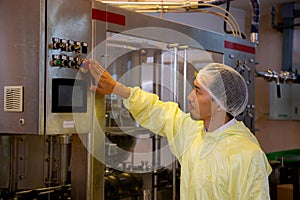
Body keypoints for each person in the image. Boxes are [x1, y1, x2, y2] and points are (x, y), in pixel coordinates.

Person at [86, 59, 272, 200]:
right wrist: (118, 89)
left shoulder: (248, 156)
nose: (190, 97)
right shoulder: (193, 132)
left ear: (219, 104)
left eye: (198, 91)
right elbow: (159, 111)